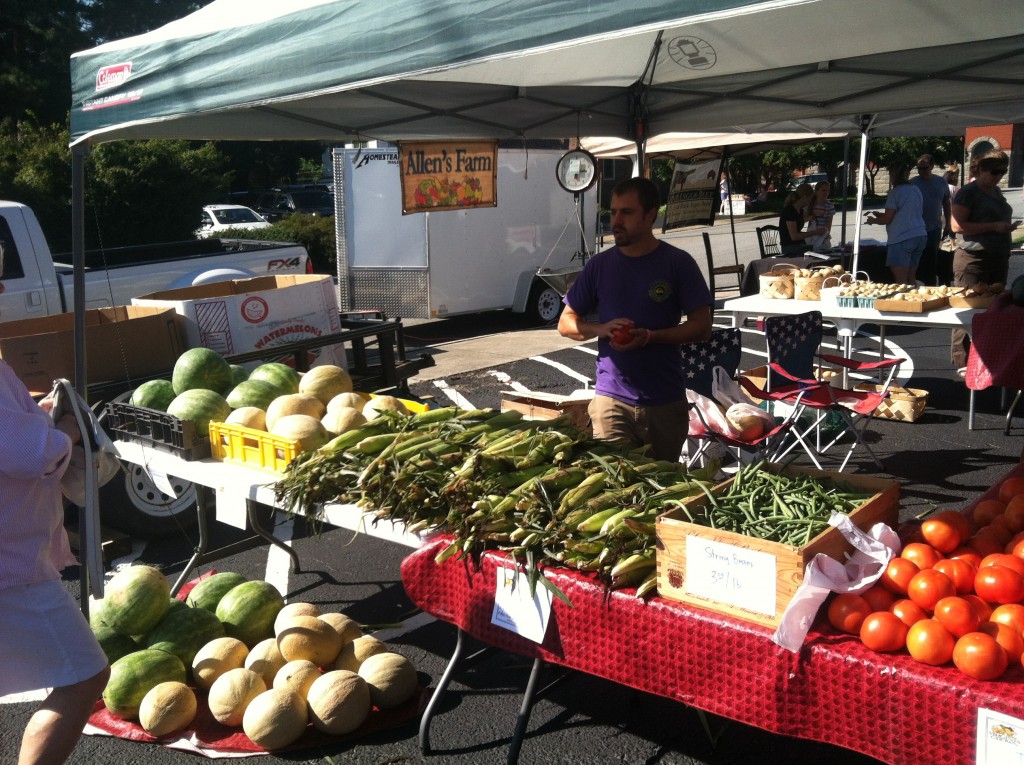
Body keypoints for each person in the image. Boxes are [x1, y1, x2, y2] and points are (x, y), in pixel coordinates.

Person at [0, 247, 109, 765]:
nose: (1, 290)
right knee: (86, 674)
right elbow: (27, 455)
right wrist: (63, 430)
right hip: (9, 565)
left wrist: (35, 414)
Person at [558, 177, 712, 461]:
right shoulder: (599, 266)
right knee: (615, 489)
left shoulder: (678, 263)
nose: (616, 220)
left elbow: (702, 327)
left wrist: (652, 337)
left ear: (651, 214)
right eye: (613, 212)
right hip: (611, 402)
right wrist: (600, 329)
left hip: (664, 402)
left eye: (626, 212)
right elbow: (566, 323)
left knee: (662, 492)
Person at [949, 150, 1020, 374]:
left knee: (994, 309)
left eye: (1003, 172)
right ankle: (962, 363)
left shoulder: (995, 191)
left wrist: (1005, 229)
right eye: (995, 172)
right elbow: (956, 226)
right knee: (967, 311)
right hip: (973, 259)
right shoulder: (968, 193)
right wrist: (993, 227)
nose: (999, 176)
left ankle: (985, 359)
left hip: (997, 257)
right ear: (980, 169)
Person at [865, 161, 927, 284]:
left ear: (893, 175)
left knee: (901, 282)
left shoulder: (896, 192)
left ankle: (904, 303)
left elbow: (887, 219)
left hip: (902, 238)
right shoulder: (915, 189)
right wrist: (881, 215)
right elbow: (906, 213)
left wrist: (873, 220)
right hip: (919, 234)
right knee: (911, 279)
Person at [910, 154, 953, 285]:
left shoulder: (941, 182)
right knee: (917, 261)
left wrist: (948, 224)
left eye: (925, 168)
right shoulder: (913, 183)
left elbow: (947, 203)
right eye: (919, 168)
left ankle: (931, 285)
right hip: (916, 228)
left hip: (934, 228)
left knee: (931, 260)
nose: (922, 171)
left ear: (932, 166)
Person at [778, 183, 822, 255]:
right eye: (810, 199)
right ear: (804, 197)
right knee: (816, 253)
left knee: (819, 250)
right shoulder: (790, 211)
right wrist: (815, 232)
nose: (810, 201)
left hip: (799, 245)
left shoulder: (800, 210)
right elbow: (794, 236)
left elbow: (797, 225)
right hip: (790, 248)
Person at [804, 181, 835, 253]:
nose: (826, 192)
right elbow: (803, 219)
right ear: (817, 191)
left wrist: (825, 235)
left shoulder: (829, 205)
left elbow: (829, 224)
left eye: (828, 190)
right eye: (823, 190)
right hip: (811, 235)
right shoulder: (810, 204)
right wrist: (810, 217)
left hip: (823, 235)